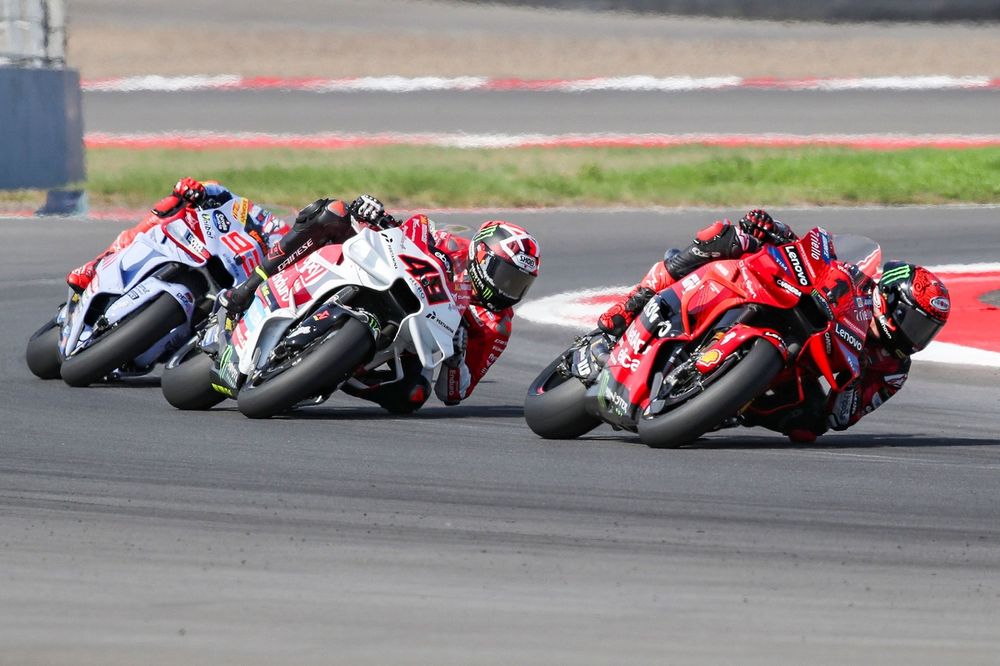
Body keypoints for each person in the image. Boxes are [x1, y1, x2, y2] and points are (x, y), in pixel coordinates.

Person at [596, 209, 951, 443]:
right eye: (914, 321)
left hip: (804, 365)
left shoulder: (894, 370)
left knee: (808, 427)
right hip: (781, 297)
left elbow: (844, 417)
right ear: (888, 297)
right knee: (723, 236)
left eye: (926, 330)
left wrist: (851, 385)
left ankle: (729, 405)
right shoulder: (859, 284)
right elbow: (815, 254)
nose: (915, 335)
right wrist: (773, 229)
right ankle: (629, 308)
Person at [217, 195, 541, 413]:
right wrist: (379, 216)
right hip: (388, 278)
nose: (508, 289)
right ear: (481, 256)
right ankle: (247, 289)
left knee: (413, 394)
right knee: (333, 211)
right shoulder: (456, 243)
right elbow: (416, 231)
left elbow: (454, 394)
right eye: (505, 276)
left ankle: (335, 373)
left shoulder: (496, 325)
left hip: (411, 341)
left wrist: (456, 358)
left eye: (519, 284)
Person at [66, 178, 288, 293]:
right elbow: (227, 197)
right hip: (205, 241)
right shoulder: (271, 221)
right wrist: (198, 189)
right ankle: (97, 264)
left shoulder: (292, 241)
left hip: (236, 283)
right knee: (178, 205)